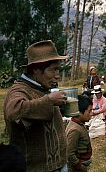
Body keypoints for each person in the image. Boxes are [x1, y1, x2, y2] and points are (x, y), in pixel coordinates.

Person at [3, 40, 68, 171]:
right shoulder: (20, 90)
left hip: (59, 165)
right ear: (36, 70)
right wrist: (49, 101)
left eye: (58, 69)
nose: (57, 76)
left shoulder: (42, 86)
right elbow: (13, 111)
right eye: (53, 70)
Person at [66, 95, 93, 172]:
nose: (91, 113)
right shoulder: (75, 130)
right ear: (80, 112)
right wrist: (79, 166)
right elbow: (69, 153)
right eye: (89, 111)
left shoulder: (80, 125)